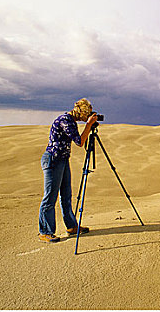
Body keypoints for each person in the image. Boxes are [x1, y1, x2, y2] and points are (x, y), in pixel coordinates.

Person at [38, 98, 98, 243]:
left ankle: (71, 226)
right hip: (53, 160)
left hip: (62, 160)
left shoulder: (70, 121)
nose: (86, 118)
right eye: (86, 114)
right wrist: (89, 125)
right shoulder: (66, 120)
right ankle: (45, 231)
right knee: (50, 196)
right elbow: (79, 141)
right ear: (81, 112)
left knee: (66, 195)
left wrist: (89, 125)